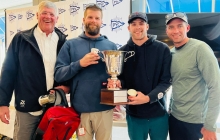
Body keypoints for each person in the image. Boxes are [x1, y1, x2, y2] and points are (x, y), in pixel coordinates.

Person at [0, 1, 69, 140]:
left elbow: (69, 70)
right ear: (37, 15)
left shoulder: (64, 42)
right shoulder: (21, 39)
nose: (47, 17)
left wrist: (67, 86)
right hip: (27, 107)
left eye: (51, 14)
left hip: (53, 108)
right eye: (44, 13)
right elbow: (8, 73)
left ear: (57, 18)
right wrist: (3, 103)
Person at [54, 4, 117, 140]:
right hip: (79, 110)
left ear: (101, 21)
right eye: (90, 17)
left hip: (105, 109)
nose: (93, 20)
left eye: (97, 18)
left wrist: (117, 83)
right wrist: (79, 64)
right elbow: (58, 74)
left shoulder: (111, 46)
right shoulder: (70, 45)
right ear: (83, 20)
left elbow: (120, 76)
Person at [108, 12, 172, 140]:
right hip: (134, 116)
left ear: (147, 26)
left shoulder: (162, 49)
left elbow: (166, 81)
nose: (138, 27)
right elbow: (122, 80)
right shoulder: (122, 52)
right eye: (134, 24)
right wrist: (118, 84)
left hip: (158, 114)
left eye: (141, 23)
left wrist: (148, 98)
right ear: (128, 28)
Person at [165, 12, 220, 140]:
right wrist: (170, 109)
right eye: (171, 27)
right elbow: (177, 83)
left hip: (196, 123)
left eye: (180, 26)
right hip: (175, 118)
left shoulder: (200, 49)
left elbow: (216, 87)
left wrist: (210, 126)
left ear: (187, 28)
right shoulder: (171, 53)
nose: (175, 30)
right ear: (167, 30)